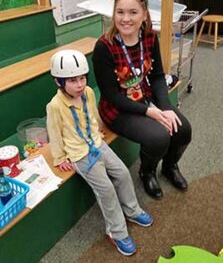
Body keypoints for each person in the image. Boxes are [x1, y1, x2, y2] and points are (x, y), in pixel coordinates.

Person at [92, 0, 192, 200]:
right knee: (158, 136)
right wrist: (152, 112)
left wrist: (165, 107)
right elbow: (112, 97)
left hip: (144, 98)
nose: (126, 19)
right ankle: (146, 172)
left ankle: (169, 167)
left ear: (144, 14)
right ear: (114, 13)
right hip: (117, 109)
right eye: (120, 12)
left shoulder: (149, 36)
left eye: (133, 12)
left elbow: (157, 76)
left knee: (182, 129)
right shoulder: (104, 47)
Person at [46, 49, 153, 256]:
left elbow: (93, 116)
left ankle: (132, 211)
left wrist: (98, 133)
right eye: (72, 80)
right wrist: (60, 158)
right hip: (79, 153)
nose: (79, 84)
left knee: (122, 173)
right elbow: (54, 134)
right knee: (106, 190)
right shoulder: (55, 106)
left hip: (96, 142)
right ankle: (116, 232)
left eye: (82, 78)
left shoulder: (87, 93)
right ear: (59, 82)